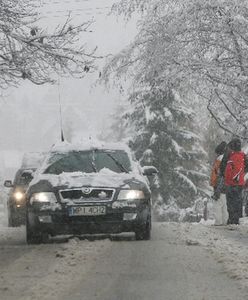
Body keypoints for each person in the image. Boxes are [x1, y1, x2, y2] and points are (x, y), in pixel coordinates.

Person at [220, 138, 247, 224]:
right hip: (239, 183)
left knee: (230, 201)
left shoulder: (228, 155)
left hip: (230, 182)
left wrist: (225, 176)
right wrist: (241, 174)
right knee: (238, 200)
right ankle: (237, 219)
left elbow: (222, 167)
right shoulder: (243, 155)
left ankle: (231, 219)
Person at [210, 141, 229, 225]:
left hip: (219, 186)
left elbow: (218, 175)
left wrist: (216, 186)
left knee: (217, 205)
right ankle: (225, 221)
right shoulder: (228, 159)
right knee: (224, 205)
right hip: (226, 186)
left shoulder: (220, 160)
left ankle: (218, 222)